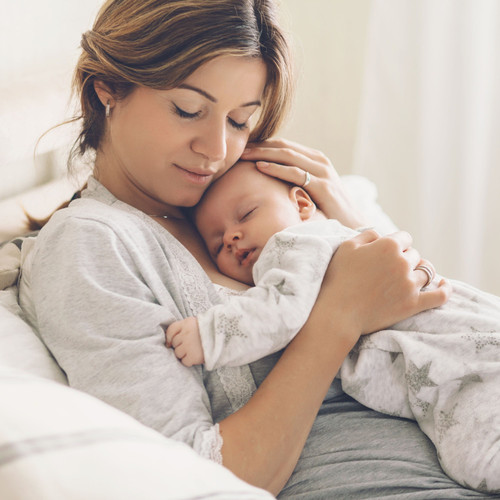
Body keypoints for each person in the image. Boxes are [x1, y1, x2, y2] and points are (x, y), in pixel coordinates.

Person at [17, 0, 498, 497]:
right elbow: (190, 476)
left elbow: (425, 313)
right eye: (188, 110)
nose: (216, 150)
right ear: (108, 88)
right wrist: (338, 314)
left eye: (240, 121)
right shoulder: (91, 245)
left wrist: (346, 214)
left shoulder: (252, 193)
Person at [166, 160, 500, 492]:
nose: (232, 236)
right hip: (466, 345)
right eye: (217, 242)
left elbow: (278, 312)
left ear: (301, 204)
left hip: (456, 354)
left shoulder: (294, 244)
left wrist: (209, 334)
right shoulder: (335, 242)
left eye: (247, 214)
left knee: (477, 459)